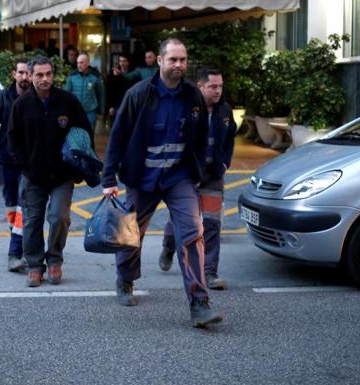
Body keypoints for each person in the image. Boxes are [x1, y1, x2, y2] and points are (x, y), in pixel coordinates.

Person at [102, 38, 223, 328]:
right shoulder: (138, 94)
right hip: (142, 179)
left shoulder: (193, 96)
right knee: (130, 234)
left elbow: (200, 133)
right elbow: (117, 137)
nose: (179, 65)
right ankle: (125, 279)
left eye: (183, 60)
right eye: (173, 60)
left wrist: (198, 172)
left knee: (193, 233)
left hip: (178, 178)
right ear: (159, 61)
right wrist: (108, 179)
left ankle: (199, 303)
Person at [8, 55, 92, 287]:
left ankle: (55, 260)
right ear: (31, 76)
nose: (45, 79)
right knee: (32, 221)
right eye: (39, 75)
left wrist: (79, 166)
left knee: (59, 217)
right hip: (33, 177)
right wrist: (26, 167)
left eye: (48, 74)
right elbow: (12, 141)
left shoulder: (68, 101)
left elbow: (85, 133)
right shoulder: (21, 105)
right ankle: (35, 265)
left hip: (62, 176)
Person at [158, 67, 237, 291]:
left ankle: (210, 272)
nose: (217, 91)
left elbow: (231, 136)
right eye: (212, 86)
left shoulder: (225, 111)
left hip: (213, 176)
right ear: (200, 86)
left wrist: (225, 162)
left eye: (220, 86)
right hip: (186, 176)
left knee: (212, 223)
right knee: (180, 222)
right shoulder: (186, 107)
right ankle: (168, 246)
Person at [0, 60, 31, 273]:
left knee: (24, 205)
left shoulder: (37, 98)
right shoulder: (2, 98)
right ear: (14, 74)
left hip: (30, 162)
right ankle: (20, 242)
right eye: (21, 72)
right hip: (6, 159)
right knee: (12, 205)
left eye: (28, 73)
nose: (24, 77)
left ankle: (15, 252)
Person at [64, 52, 105, 138]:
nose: (79, 65)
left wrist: (101, 111)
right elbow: (66, 95)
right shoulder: (72, 76)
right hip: (75, 112)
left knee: (89, 136)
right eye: (78, 62)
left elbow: (101, 95)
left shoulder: (95, 76)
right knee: (76, 136)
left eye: (81, 62)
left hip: (90, 111)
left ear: (88, 63)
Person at [106, 54, 136, 120]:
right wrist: (110, 106)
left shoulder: (133, 75)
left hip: (130, 105)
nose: (122, 63)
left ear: (128, 62)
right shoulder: (113, 75)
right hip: (116, 106)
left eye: (124, 61)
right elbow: (110, 92)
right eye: (120, 61)